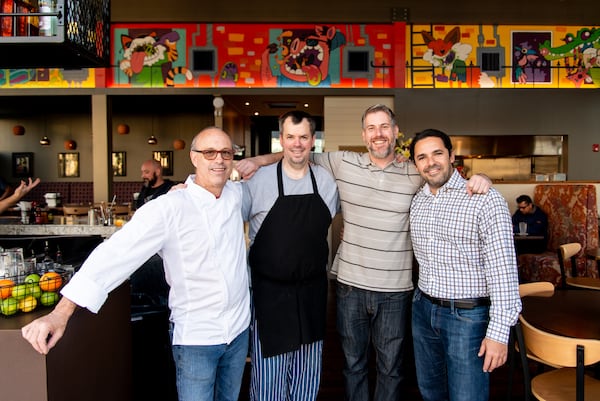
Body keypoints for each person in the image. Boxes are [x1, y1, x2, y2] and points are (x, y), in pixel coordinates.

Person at [235, 104, 492, 401]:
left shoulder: (414, 170)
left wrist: (479, 176)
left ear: (396, 132)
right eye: (371, 128)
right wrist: (256, 160)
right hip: (349, 287)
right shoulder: (343, 163)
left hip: (395, 290)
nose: (378, 134)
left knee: (391, 368)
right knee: (352, 366)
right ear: (363, 135)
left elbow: (441, 174)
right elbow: (296, 153)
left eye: (384, 127)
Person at [22, 127, 250, 401]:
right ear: (194, 158)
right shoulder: (169, 207)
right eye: (210, 152)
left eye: (226, 152)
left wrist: (261, 160)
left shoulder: (235, 195)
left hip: (238, 331)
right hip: (197, 339)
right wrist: (60, 313)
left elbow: (288, 160)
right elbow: (115, 254)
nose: (219, 160)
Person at [408, 128, 521, 401]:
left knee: (467, 396)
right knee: (430, 392)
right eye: (422, 157)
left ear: (451, 155)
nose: (430, 162)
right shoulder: (417, 201)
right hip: (423, 310)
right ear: (415, 164)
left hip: (467, 317)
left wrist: (498, 333)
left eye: (437, 153)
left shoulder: (484, 199)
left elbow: (504, 271)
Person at [241, 111, 338, 401]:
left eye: (303, 137)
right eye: (290, 137)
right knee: (269, 382)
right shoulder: (257, 181)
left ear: (313, 141)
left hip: (312, 293)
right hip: (269, 295)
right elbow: (225, 220)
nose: (297, 144)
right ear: (281, 140)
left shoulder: (326, 181)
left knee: (307, 379)